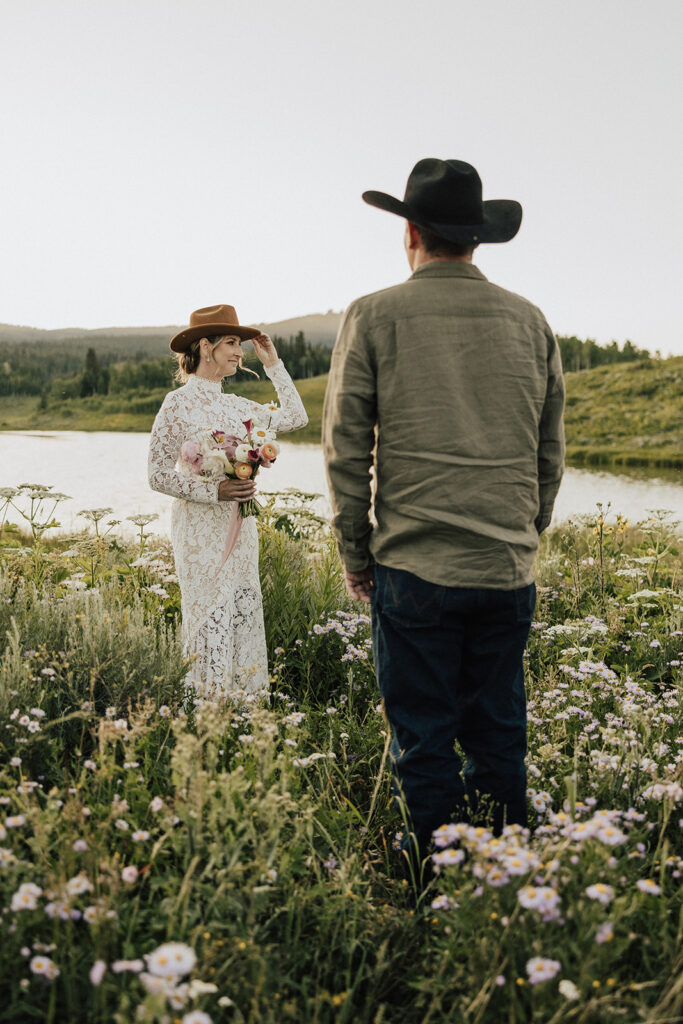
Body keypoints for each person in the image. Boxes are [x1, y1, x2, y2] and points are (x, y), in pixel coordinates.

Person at [322, 159, 565, 863]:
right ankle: (505, 876)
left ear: (409, 232)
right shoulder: (529, 320)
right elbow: (548, 453)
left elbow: (344, 449)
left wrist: (354, 554)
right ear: (475, 238)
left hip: (413, 567)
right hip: (504, 566)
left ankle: (436, 877)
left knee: (422, 733)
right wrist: (524, 535)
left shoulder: (372, 315)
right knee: (497, 728)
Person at [148, 303, 308, 697]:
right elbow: (156, 474)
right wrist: (213, 491)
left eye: (241, 343)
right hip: (199, 529)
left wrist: (273, 364)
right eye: (232, 342)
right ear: (206, 346)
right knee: (208, 613)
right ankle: (204, 708)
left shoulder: (237, 405)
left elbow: (296, 417)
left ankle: (242, 709)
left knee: (240, 609)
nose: (240, 351)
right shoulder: (177, 404)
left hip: (241, 526)